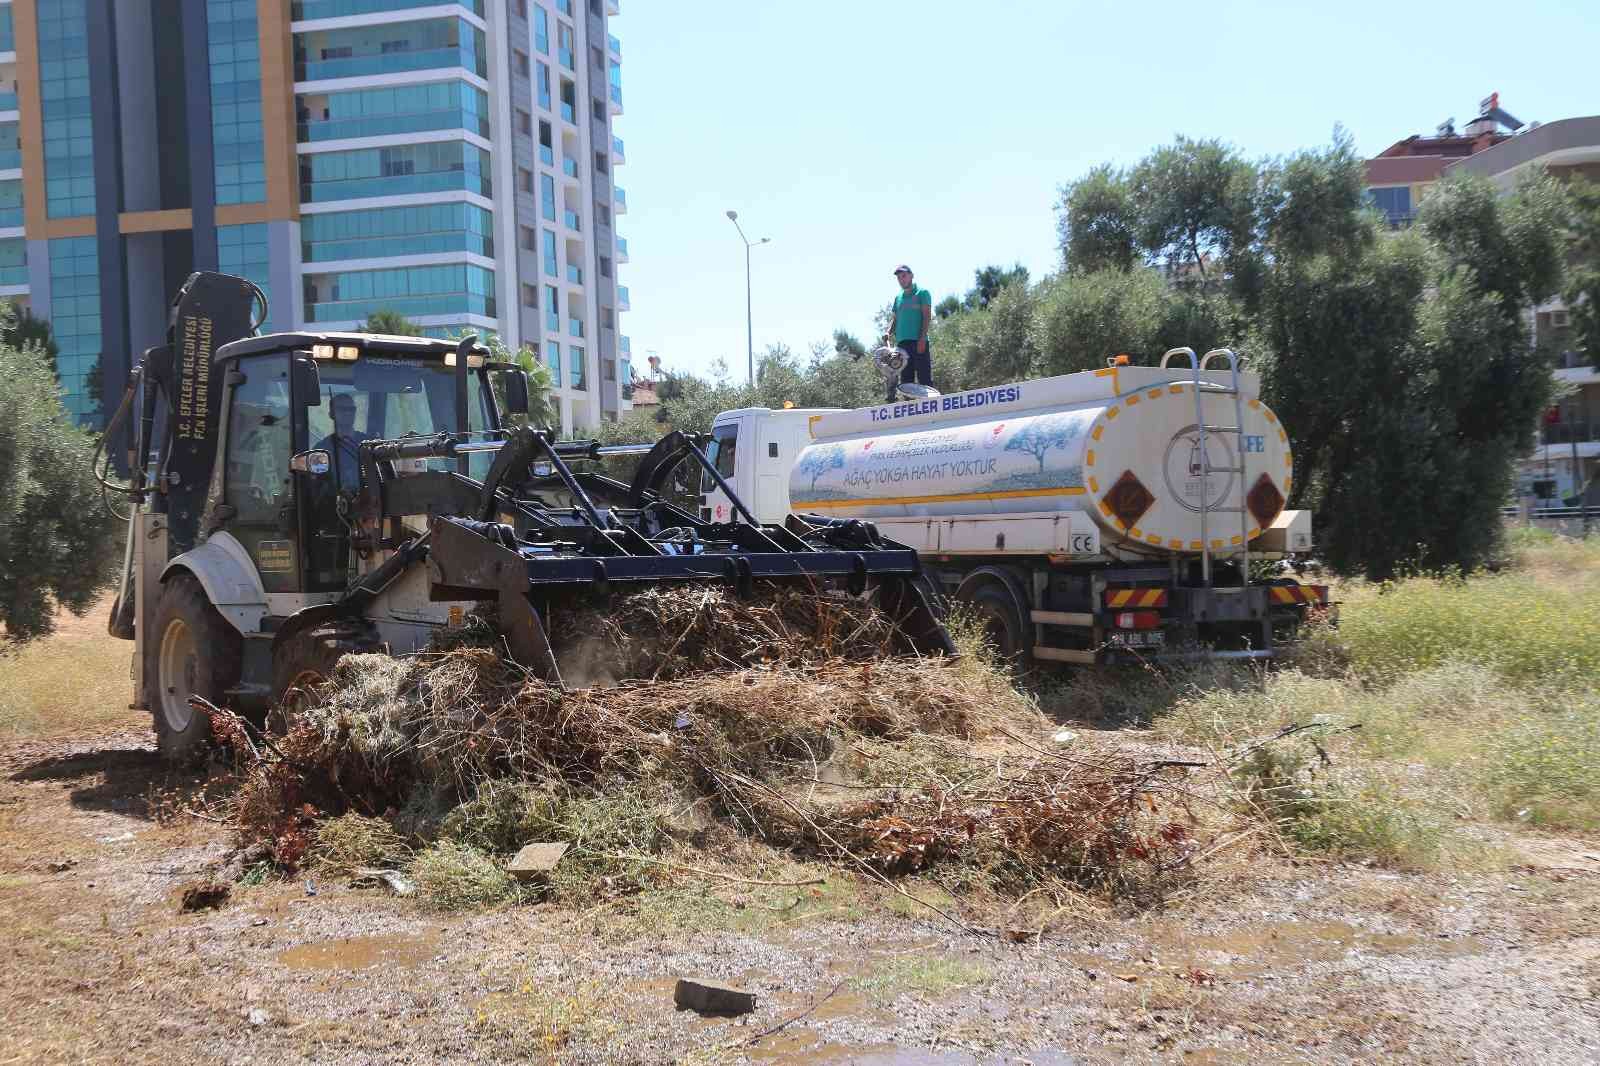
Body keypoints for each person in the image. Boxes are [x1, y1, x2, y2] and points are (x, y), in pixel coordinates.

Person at [888, 264, 933, 400]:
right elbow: (895, 318)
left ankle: (930, 411)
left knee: (924, 378)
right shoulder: (898, 298)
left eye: (904, 276)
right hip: (902, 345)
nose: (902, 280)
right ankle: (910, 412)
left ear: (911, 276)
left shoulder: (922, 293)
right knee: (906, 382)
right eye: (899, 278)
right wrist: (888, 331)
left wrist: (922, 338)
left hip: (918, 341)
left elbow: (927, 316)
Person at [316, 392, 371, 492]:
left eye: (351, 409)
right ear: (331, 414)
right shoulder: (321, 450)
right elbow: (317, 484)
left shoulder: (368, 444)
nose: (348, 413)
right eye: (342, 409)